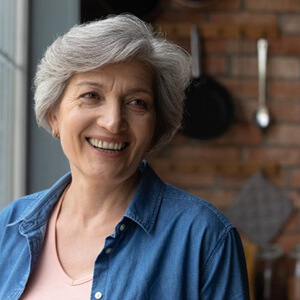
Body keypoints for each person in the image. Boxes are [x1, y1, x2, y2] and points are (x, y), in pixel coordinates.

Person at [0, 14, 249, 300]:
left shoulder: (205, 238)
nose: (112, 121)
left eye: (136, 102)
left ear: (156, 127)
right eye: (91, 95)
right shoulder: (9, 226)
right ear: (54, 116)